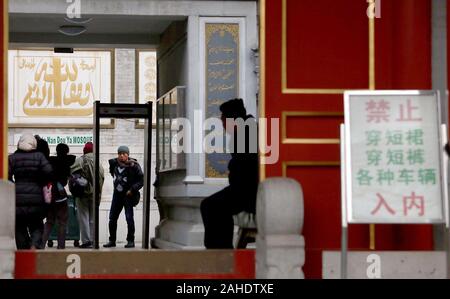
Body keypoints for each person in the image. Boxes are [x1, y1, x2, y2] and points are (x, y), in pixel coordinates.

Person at [200, 98, 259, 249]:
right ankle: (222, 249)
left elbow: (246, 166)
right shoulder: (247, 129)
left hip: (249, 190)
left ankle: (221, 252)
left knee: (211, 206)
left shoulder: (247, 132)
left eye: (224, 118)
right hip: (245, 188)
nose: (222, 122)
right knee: (214, 206)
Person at [8, 134, 53, 249]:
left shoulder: (12, 157)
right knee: (37, 225)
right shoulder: (39, 156)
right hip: (36, 196)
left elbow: (5, 175)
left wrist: (14, 186)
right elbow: (49, 172)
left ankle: (23, 250)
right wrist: (40, 182)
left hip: (17, 198)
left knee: (19, 226)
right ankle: (34, 245)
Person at [104, 146, 144, 248]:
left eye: (124, 154)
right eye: (120, 154)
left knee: (129, 218)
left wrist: (132, 189)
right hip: (117, 195)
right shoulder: (114, 164)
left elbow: (141, 180)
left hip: (128, 196)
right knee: (112, 218)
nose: (121, 156)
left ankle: (130, 240)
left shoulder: (134, 165)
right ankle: (112, 240)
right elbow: (113, 174)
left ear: (127, 155)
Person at [41, 143, 76, 249]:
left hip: (50, 194)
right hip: (61, 195)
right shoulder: (66, 162)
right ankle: (61, 246)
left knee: (49, 221)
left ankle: (41, 244)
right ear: (66, 151)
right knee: (62, 221)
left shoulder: (51, 161)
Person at [70, 142, 104, 249]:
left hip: (83, 194)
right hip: (95, 194)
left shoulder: (80, 160)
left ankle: (86, 241)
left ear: (84, 150)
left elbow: (73, 176)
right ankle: (93, 240)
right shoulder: (98, 161)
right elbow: (102, 178)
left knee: (83, 217)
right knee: (93, 218)